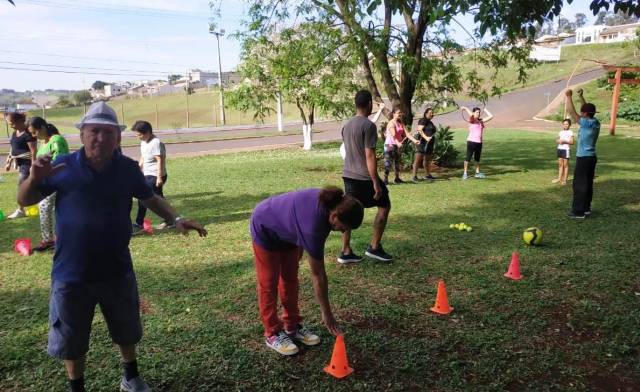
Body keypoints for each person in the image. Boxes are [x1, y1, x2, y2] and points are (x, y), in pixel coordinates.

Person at [17, 102, 208, 392]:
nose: (101, 138)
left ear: (118, 138)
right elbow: (24, 201)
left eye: (108, 133)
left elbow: (150, 198)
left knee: (126, 328)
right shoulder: (63, 166)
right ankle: (76, 387)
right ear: (82, 135)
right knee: (72, 336)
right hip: (71, 272)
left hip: (117, 268)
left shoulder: (128, 169)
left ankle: (130, 377)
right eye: (94, 131)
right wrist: (33, 178)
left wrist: (176, 218)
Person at [250, 186, 364, 355]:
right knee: (268, 283)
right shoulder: (314, 226)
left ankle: (292, 326)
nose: (343, 231)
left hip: (287, 233)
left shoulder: (330, 203)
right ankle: (272, 333)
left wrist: (300, 242)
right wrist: (327, 314)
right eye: (344, 226)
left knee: (290, 278)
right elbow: (318, 275)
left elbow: (297, 213)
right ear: (334, 216)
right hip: (265, 226)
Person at [339, 90, 393, 264]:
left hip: (348, 175)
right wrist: (376, 183)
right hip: (364, 177)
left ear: (356, 104)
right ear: (369, 104)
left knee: (347, 213)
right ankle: (374, 247)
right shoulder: (369, 126)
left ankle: (346, 252)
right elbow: (369, 156)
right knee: (384, 205)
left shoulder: (346, 126)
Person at [28, 117, 70, 252]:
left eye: (35, 132)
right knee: (52, 208)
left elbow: (60, 161)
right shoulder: (44, 142)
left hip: (58, 181)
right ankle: (51, 239)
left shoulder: (56, 140)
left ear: (42, 128)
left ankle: (51, 240)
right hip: (47, 181)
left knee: (46, 206)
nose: (34, 136)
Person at [564, 88, 600, 219]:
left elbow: (571, 112)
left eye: (582, 112)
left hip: (584, 158)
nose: (580, 113)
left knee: (579, 184)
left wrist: (568, 96)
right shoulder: (594, 121)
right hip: (591, 158)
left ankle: (578, 212)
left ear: (584, 113)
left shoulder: (585, 123)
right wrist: (581, 97)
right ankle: (586, 208)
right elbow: (586, 110)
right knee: (588, 183)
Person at [131, 120, 169, 232]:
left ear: (147, 132)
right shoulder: (144, 142)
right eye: (137, 135)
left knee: (143, 197)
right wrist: (138, 168)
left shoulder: (155, 142)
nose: (138, 137)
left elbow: (160, 160)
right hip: (147, 174)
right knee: (159, 199)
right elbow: (143, 156)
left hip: (155, 175)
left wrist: (159, 177)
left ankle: (139, 223)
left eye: (140, 134)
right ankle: (171, 219)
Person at [4, 112, 36, 219]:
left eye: (11, 123)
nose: (10, 125)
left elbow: (33, 151)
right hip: (20, 163)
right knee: (26, 186)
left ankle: (21, 210)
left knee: (22, 186)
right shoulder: (14, 133)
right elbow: (13, 148)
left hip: (27, 163)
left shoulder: (28, 134)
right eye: (9, 123)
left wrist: (33, 165)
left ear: (19, 121)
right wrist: (8, 162)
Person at [383, 107, 419, 184]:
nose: (400, 114)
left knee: (396, 162)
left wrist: (415, 140)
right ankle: (385, 179)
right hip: (389, 145)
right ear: (393, 114)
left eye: (400, 113)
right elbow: (393, 135)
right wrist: (398, 142)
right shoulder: (391, 123)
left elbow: (407, 134)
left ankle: (397, 178)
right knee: (388, 163)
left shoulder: (400, 123)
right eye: (398, 113)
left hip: (397, 145)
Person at [460, 106, 493, 180]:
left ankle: (477, 173)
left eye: (479, 112)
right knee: (468, 158)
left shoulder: (481, 121)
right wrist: (465, 108)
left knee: (477, 159)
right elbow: (471, 115)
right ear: (474, 113)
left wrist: (485, 109)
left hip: (479, 142)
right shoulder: (472, 120)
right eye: (477, 112)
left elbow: (491, 116)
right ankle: (465, 173)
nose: (478, 113)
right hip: (471, 141)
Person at [412, 107, 437, 182]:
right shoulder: (423, 120)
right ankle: (414, 177)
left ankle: (427, 175)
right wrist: (426, 138)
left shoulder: (430, 122)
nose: (432, 114)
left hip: (429, 144)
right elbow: (419, 130)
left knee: (427, 160)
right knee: (417, 159)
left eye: (432, 113)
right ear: (426, 114)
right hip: (422, 143)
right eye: (430, 113)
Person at [553, 118, 574, 185]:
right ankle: (559, 178)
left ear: (569, 125)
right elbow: (557, 139)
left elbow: (572, 142)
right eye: (564, 124)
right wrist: (558, 141)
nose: (565, 125)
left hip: (566, 150)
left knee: (565, 165)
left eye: (567, 124)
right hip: (559, 149)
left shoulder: (570, 132)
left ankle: (564, 180)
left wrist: (564, 141)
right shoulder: (561, 132)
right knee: (560, 165)